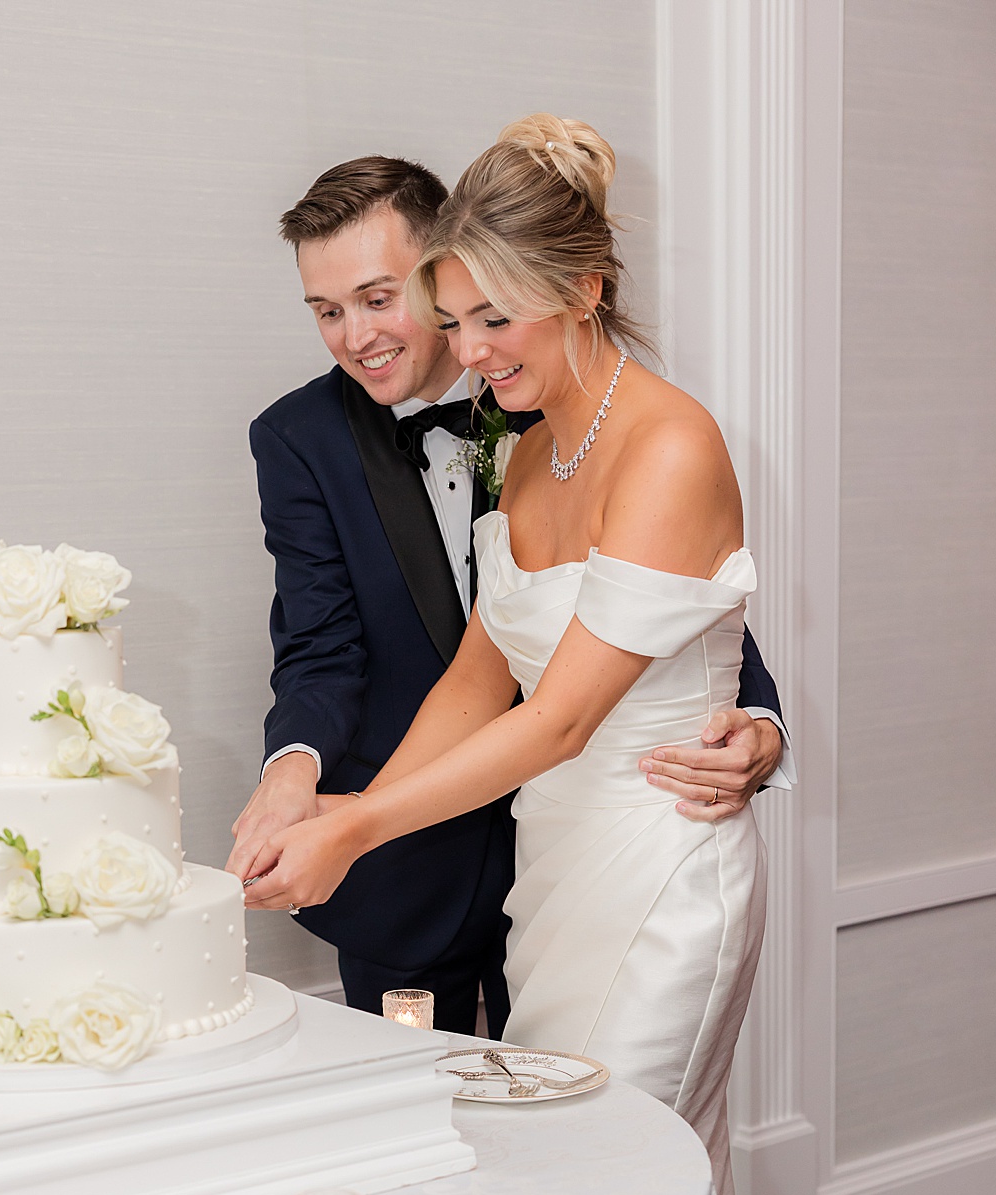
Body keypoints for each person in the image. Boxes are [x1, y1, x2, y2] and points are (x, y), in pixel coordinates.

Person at [237, 116, 818, 1195]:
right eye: (453, 312)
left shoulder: (656, 432)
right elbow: (481, 663)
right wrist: (335, 794)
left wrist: (755, 730)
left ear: (574, 285)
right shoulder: (521, 425)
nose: (449, 342)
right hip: (535, 867)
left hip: (651, 864)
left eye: (482, 314)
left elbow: (578, 707)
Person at [230, 156, 791, 1035]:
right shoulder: (309, 439)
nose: (356, 336)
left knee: (614, 1137)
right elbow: (337, 647)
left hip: (632, 841)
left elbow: (679, 605)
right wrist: (312, 788)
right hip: (426, 870)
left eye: (381, 300)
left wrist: (759, 719)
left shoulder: (590, 413)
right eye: (326, 310)